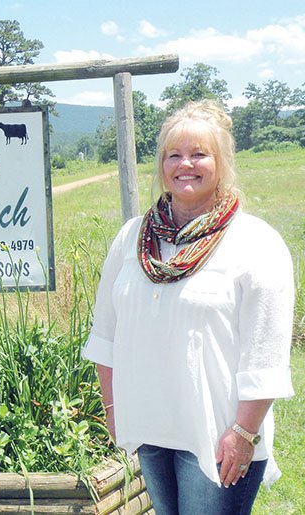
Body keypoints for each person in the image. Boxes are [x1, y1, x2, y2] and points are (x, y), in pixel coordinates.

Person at [82, 100, 294, 514]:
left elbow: (266, 354)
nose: (185, 165)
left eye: (199, 154)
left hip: (217, 434)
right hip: (151, 428)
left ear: (222, 162)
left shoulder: (254, 242)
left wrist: (243, 433)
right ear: (161, 164)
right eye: (174, 155)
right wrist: (114, 412)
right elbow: (105, 335)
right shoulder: (132, 239)